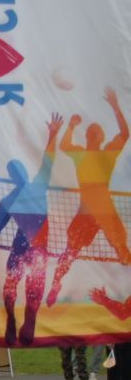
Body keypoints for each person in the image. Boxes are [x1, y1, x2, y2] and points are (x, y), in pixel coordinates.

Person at [0, 115, 62, 347]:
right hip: (25, 245)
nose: (18, 174)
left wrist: (53, 135)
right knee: (11, 285)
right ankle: (11, 321)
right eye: (14, 171)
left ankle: (29, 323)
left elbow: (48, 162)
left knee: (33, 288)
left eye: (19, 170)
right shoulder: (11, 200)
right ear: (13, 177)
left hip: (36, 248)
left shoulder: (35, 187)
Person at [46, 87, 130, 306]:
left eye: (95, 131)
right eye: (92, 132)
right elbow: (65, 145)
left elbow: (124, 135)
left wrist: (114, 106)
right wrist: (72, 126)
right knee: (75, 252)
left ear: (98, 137)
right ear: (93, 137)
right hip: (97, 210)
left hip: (97, 209)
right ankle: (55, 284)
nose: (94, 133)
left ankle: (56, 282)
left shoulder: (100, 153)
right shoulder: (89, 154)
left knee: (117, 251)